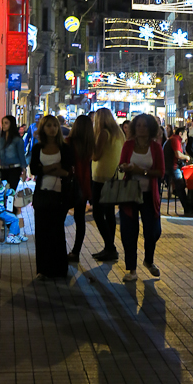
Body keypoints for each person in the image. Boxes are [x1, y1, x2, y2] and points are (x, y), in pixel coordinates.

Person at [119, 114, 164, 282]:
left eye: (145, 126)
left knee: (153, 231)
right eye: (138, 125)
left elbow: (160, 172)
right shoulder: (128, 145)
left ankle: (149, 260)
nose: (141, 128)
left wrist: (142, 172)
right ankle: (131, 269)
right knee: (129, 231)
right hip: (130, 193)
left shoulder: (155, 147)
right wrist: (125, 167)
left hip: (149, 194)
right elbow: (121, 163)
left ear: (151, 128)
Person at [30, 115, 74, 280]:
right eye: (48, 125)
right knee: (42, 232)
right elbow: (34, 169)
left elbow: (67, 171)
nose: (52, 129)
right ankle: (44, 269)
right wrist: (54, 167)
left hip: (60, 194)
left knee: (56, 232)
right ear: (43, 128)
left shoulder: (65, 148)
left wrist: (46, 168)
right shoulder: (37, 148)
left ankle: (59, 269)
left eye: (54, 125)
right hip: (42, 192)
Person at [91, 108, 125, 262]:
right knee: (109, 213)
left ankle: (110, 247)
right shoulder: (119, 134)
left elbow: (96, 156)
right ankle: (109, 247)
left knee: (98, 213)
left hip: (101, 177)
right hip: (114, 176)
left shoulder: (103, 133)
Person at [65, 115, 94, 262]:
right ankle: (76, 251)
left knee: (61, 217)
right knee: (80, 220)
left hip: (70, 184)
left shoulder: (69, 142)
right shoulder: (91, 145)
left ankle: (60, 248)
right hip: (84, 186)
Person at [0, 115, 28, 241]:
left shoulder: (17, 140)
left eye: (6, 123)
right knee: (3, 195)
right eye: (3, 123)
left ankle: (10, 224)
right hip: (2, 169)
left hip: (14, 169)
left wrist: (24, 170)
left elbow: (22, 155)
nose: (4, 126)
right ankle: (9, 221)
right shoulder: (0, 139)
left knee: (10, 195)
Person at [163, 127, 193, 217]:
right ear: (181, 134)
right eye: (186, 134)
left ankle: (189, 207)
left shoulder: (173, 139)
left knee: (183, 184)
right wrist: (186, 157)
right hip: (172, 167)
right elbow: (178, 154)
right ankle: (188, 209)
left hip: (170, 166)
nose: (186, 137)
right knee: (181, 185)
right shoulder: (175, 140)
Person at [0, 174, 22, 244]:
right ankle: (11, 236)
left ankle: (17, 235)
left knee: (12, 218)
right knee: (15, 219)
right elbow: (12, 192)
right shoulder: (1, 189)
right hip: (0, 213)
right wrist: (7, 187)